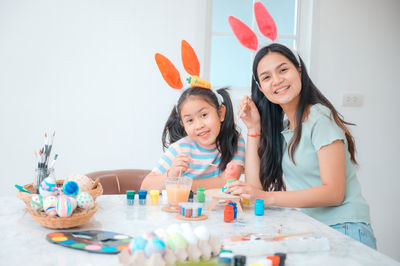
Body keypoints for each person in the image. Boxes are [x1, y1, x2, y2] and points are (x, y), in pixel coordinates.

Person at [226, 43, 376, 249]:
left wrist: (268, 197)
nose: (277, 81)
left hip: (346, 229)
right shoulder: (284, 126)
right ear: (261, 88)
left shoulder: (318, 118)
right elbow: (255, 189)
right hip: (314, 230)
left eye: (283, 70)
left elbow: (334, 193)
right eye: (267, 77)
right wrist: (253, 127)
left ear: (299, 70)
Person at [140, 86, 245, 192]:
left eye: (204, 115)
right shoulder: (180, 149)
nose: (199, 125)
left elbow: (227, 182)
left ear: (221, 113)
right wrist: (171, 175)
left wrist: (181, 184)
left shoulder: (234, 141)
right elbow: (145, 186)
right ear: (183, 124)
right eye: (190, 120)